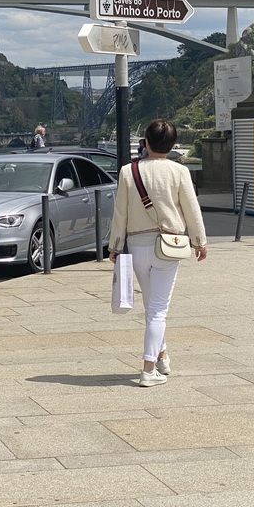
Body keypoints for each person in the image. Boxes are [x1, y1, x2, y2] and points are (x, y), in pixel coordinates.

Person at [108, 119, 208, 387]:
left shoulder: (128, 172)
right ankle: (148, 368)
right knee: (158, 310)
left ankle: (162, 357)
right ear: (173, 145)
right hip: (168, 247)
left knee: (152, 305)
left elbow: (120, 212)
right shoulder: (179, 171)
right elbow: (191, 209)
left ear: (146, 142)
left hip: (138, 246)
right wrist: (199, 241)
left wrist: (115, 245)